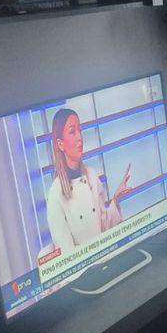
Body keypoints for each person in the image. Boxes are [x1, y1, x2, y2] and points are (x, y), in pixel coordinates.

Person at [44, 108, 133, 254]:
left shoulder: (92, 175)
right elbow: (66, 254)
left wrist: (116, 199)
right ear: (60, 144)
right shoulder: (56, 193)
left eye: (80, 130)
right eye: (72, 132)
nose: (80, 137)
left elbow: (104, 227)